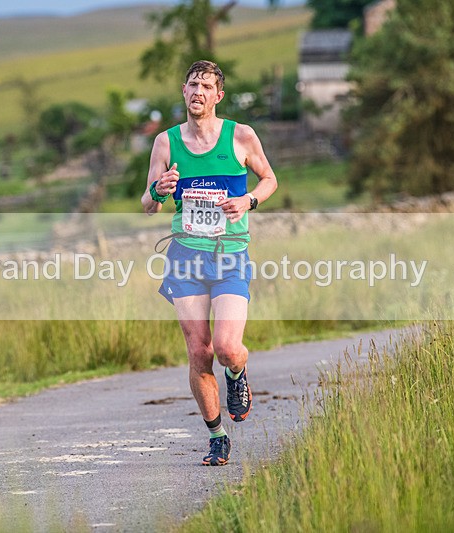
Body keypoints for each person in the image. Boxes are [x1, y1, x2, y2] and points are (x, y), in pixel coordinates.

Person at [141, 60, 278, 466]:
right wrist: (158, 189)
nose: (197, 91)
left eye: (206, 85)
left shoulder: (241, 136)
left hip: (230, 254)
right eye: (192, 84)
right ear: (183, 92)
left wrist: (249, 200)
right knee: (199, 353)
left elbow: (270, 179)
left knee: (226, 348)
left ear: (218, 95)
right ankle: (217, 437)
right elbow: (148, 205)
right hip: (185, 257)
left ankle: (237, 375)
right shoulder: (166, 143)